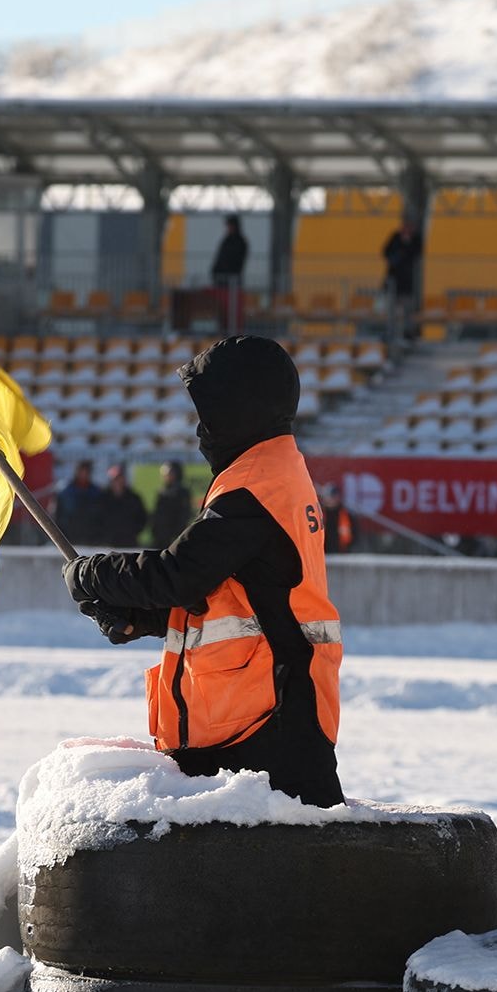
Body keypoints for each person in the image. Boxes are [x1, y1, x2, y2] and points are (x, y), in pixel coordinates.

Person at [63, 336, 344, 807]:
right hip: (270, 720)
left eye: (208, 413)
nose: (200, 431)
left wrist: (93, 573)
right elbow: (234, 598)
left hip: (267, 726)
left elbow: (178, 575)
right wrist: (141, 617)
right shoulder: (273, 475)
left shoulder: (255, 490)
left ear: (239, 410)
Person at [382, 217, 423, 337]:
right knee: (391, 309)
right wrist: (396, 257)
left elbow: (415, 254)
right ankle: (391, 331)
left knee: (407, 309)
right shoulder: (395, 237)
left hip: (407, 281)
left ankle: (408, 332)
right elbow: (385, 252)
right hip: (394, 279)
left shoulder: (416, 240)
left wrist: (405, 248)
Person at [96, 465, 149, 548]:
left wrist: (133, 532)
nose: (117, 482)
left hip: (129, 543)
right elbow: (97, 519)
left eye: (119, 478)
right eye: (114, 479)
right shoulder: (103, 499)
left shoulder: (134, 498)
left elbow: (143, 518)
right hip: (108, 544)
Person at [55, 463, 104, 546]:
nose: (83, 475)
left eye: (86, 472)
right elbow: (59, 516)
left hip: (91, 540)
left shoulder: (96, 493)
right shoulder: (66, 493)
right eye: (81, 472)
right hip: (70, 538)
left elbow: (101, 517)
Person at [149, 460, 195, 548]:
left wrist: (176, 534)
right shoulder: (161, 492)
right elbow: (157, 514)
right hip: (161, 538)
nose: (166, 476)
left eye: (169, 473)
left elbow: (184, 514)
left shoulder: (183, 492)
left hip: (176, 538)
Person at [319, 483, 353, 554]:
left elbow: (354, 537)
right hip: (323, 554)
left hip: (343, 554)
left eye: (330, 496)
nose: (327, 499)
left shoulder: (347, 514)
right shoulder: (319, 514)